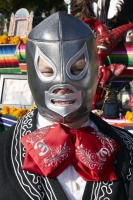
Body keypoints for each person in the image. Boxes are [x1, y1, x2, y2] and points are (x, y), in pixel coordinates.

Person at [0, 11, 133, 200]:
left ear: (98, 72)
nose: (62, 84)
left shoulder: (128, 150)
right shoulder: (3, 152)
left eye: (77, 69)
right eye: (47, 71)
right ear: (31, 75)